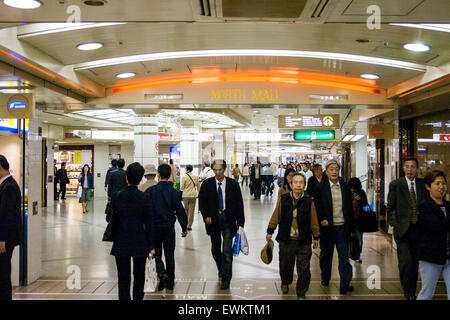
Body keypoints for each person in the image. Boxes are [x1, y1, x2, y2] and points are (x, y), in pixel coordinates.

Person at [266, 172, 320, 299]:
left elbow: (314, 219)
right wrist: (270, 230)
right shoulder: (283, 199)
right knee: (286, 265)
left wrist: (316, 236)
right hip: (286, 240)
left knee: (304, 270)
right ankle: (285, 281)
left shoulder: (308, 201)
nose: (298, 185)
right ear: (290, 185)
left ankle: (301, 293)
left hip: (304, 241)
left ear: (304, 185)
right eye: (295, 182)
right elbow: (276, 216)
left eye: (301, 183)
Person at [107, 162, 154, 301]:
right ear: (141, 179)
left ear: (126, 177)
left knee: (123, 277)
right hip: (140, 241)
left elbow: (109, 217)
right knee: (139, 275)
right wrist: (151, 245)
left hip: (121, 241)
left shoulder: (117, 196)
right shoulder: (144, 197)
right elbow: (150, 223)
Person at [198, 159, 245, 290]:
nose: (218, 172)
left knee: (227, 250)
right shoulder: (207, 184)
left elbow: (239, 203)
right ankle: (221, 268)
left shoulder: (233, 184)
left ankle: (226, 278)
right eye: (215, 170)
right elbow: (202, 202)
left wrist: (241, 222)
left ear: (224, 170)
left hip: (228, 219)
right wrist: (205, 215)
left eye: (220, 170)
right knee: (215, 249)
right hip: (213, 220)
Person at [387, 157, 428, 300]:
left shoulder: (423, 185)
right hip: (403, 231)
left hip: (419, 230)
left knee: (415, 263)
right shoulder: (396, 185)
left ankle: (412, 290)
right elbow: (390, 207)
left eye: (412, 167)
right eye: (407, 167)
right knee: (405, 263)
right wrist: (394, 224)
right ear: (403, 168)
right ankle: (408, 292)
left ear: (417, 168)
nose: (410, 170)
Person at [313, 159, 354, 294]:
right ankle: (325, 278)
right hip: (327, 228)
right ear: (326, 171)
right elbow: (317, 206)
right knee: (326, 255)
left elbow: (349, 207)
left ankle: (345, 284)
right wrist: (321, 220)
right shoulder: (321, 187)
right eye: (331, 169)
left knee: (343, 256)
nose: (334, 171)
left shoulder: (344, 186)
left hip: (342, 227)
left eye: (336, 168)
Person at [146, 164, 188, 292]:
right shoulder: (174, 193)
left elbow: (146, 212)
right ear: (170, 175)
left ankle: (162, 274)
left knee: (156, 253)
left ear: (158, 175)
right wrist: (184, 228)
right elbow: (180, 212)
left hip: (155, 228)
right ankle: (170, 282)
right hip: (169, 228)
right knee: (170, 254)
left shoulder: (150, 191)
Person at [416, 170, 450, 300]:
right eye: (437, 183)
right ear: (428, 186)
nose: (441, 187)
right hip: (430, 257)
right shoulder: (424, 207)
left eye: (443, 183)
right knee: (427, 294)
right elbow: (436, 226)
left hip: (448, 256)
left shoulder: (448, 206)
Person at [0, 155, 22, 300]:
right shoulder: (6, 185)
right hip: (5, 237)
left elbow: (6, 215)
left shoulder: (9, 187)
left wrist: (2, 239)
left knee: (2, 272)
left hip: (5, 239)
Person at [347, 177, 369, 263]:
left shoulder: (361, 193)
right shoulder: (347, 193)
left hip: (359, 219)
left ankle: (357, 254)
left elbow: (366, 204)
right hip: (349, 219)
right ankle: (350, 254)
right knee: (349, 238)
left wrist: (360, 200)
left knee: (359, 238)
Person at [181, 165, 200, 231]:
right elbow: (198, 187)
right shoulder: (195, 177)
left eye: (185, 168)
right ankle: (189, 226)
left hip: (185, 196)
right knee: (191, 211)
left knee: (186, 211)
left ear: (187, 170)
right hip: (193, 195)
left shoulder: (184, 177)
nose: (185, 170)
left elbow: (182, 187)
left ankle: (185, 224)